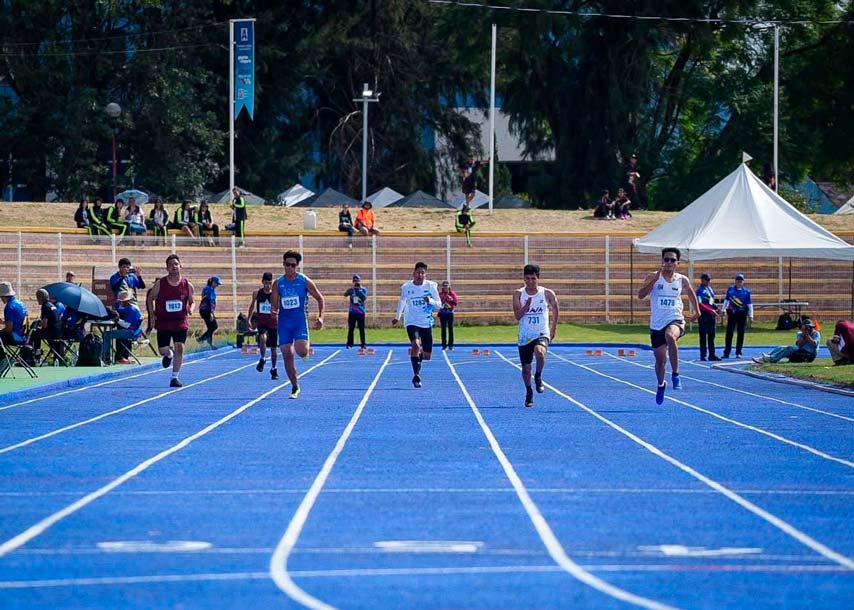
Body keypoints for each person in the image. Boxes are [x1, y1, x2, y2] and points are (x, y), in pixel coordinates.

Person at [638, 248, 700, 405]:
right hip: (657, 324)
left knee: (670, 336)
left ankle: (676, 374)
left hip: (676, 319)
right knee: (660, 362)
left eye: (672, 260)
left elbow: (691, 294)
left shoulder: (682, 280)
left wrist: (697, 311)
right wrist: (654, 280)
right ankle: (661, 384)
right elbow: (641, 295)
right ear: (662, 261)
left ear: (677, 263)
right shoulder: (653, 276)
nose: (669, 263)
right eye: (666, 259)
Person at [272, 250, 325, 399]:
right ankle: (295, 386)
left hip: (299, 322)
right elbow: (274, 305)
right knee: (287, 354)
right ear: (283, 264)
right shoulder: (278, 283)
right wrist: (273, 312)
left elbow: (320, 299)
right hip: (284, 324)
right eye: (287, 265)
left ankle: (305, 350)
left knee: (301, 351)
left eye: (293, 265)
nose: (290, 268)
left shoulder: (304, 281)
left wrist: (320, 317)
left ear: (297, 266)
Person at [513, 264, 559, 408]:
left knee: (540, 352)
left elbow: (555, 308)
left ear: (538, 278)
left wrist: (553, 329)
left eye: (533, 278)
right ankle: (528, 391)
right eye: (528, 278)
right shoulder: (518, 294)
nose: (531, 281)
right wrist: (525, 307)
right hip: (525, 335)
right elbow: (517, 316)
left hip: (541, 333)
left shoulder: (547, 293)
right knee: (526, 369)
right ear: (524, 279)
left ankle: (538, 375)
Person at [147, 253, 195, 387]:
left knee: (180, 347)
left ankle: (174, 377)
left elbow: (192, 301)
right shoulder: (160, 284)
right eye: (170, 265)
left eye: (176, 264)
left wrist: (191, 308)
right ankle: (168, 355)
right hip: (164, 321)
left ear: (180, 266)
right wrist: (152, 315)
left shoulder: (187, 285)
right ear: (167, 268)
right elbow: (150, 298)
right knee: (163, 350)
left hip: (180, 321)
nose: (174, 267)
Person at [393, 262, 441, 388]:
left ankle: (418, 358)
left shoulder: (431, 286)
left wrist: (430, 300)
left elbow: (439, 304)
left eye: (422, 273)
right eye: (418, 273)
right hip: (411, 321)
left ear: (425, 274)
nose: (420, 275)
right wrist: (397, 317)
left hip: (426, 322)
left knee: (427, 356)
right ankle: (416, 375)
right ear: (413, 274)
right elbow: (402, 301)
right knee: (415, 344)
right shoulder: (407, 287)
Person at [247, 272, 280, 379]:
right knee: (262, 337)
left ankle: (274, 369)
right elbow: (252, 306)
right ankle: (262, 358)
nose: (268, 286)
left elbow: (279, 308)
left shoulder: (275, 295)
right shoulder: (257, 293)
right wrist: (249, 319)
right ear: (262, 282)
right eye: (266, 283)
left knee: (274, 349)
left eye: (270, 283)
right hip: (262, 323)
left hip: (273, 323)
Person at [102, 290, 144, 364]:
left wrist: (117, 320)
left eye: (122, 301)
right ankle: (114, 357)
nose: (120, 303)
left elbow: (127, 325)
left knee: (106, 334)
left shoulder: (132, 310)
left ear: (127, 301)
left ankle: (105, 358)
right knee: (109, 334)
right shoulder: (128, 308)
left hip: (131, 332)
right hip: (131, 331)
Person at [753, 318, 820, 364]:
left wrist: (808, 335)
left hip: (809, 354)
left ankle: (771, 359)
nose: (809, 329)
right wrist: (804, 335)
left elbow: (814, 344)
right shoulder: (800, 334)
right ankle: (766, 357)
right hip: (800, 350)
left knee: (789, 348)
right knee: (780, 347)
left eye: (810, 327)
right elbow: (799, 344)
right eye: (807, 327)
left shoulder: (816, 334)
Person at [722, 273, 753, 359]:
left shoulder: (746, 292)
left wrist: (751, 315)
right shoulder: (731, 290)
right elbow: (726, 300)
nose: (739, 283)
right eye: (738, 281)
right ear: (735, 281)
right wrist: (723, 309)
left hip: (742, 314)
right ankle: (727, 352)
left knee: (741, 333)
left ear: (743, 282)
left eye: (741, 281)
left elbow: (749, 304)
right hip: (732, 313)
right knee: (729, 333)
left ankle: (738, 352)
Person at [696, 272, 722, 361]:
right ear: (702, 280)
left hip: (711, 314)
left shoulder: (709, 289)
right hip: (703, 314)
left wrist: (716, 308)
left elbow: (711, 301)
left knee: (712, 335)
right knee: (703, 335)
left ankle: (712, 354)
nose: (708, 282)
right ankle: (703, 355)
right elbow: (700, 303)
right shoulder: (699, 291)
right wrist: (711, 310)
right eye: (706, 280)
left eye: (709, 280)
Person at [30, 288, 62, 359]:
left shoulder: (45, 306)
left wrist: (39, 326)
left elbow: (45, 324)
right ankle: (38, 353)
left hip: (52, 333)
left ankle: (36, 354)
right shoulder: (52, 305)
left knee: (35, 333)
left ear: (40, 298)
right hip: (58, 331)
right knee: (37, 333)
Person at [0, 281, 28, 348]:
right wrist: (4, 322)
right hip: (23, 336)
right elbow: (18, 321)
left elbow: (9, 329)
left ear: (4, 296)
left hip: (15, 337)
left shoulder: (9, 307)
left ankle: (3, 357)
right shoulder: (20, 304)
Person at [344, 274, 368, 349]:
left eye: (357, 281)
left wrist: (359, 290)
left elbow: (364, 298)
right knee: (351, 329)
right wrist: (352, 290)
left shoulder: (363, 289)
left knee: (362, 329)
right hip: (352, 312)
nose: (356, 283)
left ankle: (363, 344)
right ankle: (350, 344)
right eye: (354, 281)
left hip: (361, 312)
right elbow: (345, 294)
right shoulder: (351, 290)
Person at [198, 275, 221, 346]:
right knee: (214, 326)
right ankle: (201, 339)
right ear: (213, 282)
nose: (217, 285)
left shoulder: (206, 288)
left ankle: (209, 343)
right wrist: (211, 312)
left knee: (211, 327)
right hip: (207, 310)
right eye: (217, 283)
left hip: (204, 310)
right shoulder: (210, 290)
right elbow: (210, 301)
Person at [438, 280, 458, 350]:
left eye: (446, 286)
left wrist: (451, 299)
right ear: (442, 287)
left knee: (450, 329)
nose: (445, 287)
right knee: (443, 329)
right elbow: (437, 303)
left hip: (450, 313)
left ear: (449, 286)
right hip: (443, 313)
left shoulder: (452, 294)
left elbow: (455, 303)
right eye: (444, 286)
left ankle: (451, 345)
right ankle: (444, 345)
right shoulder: (440, 294)